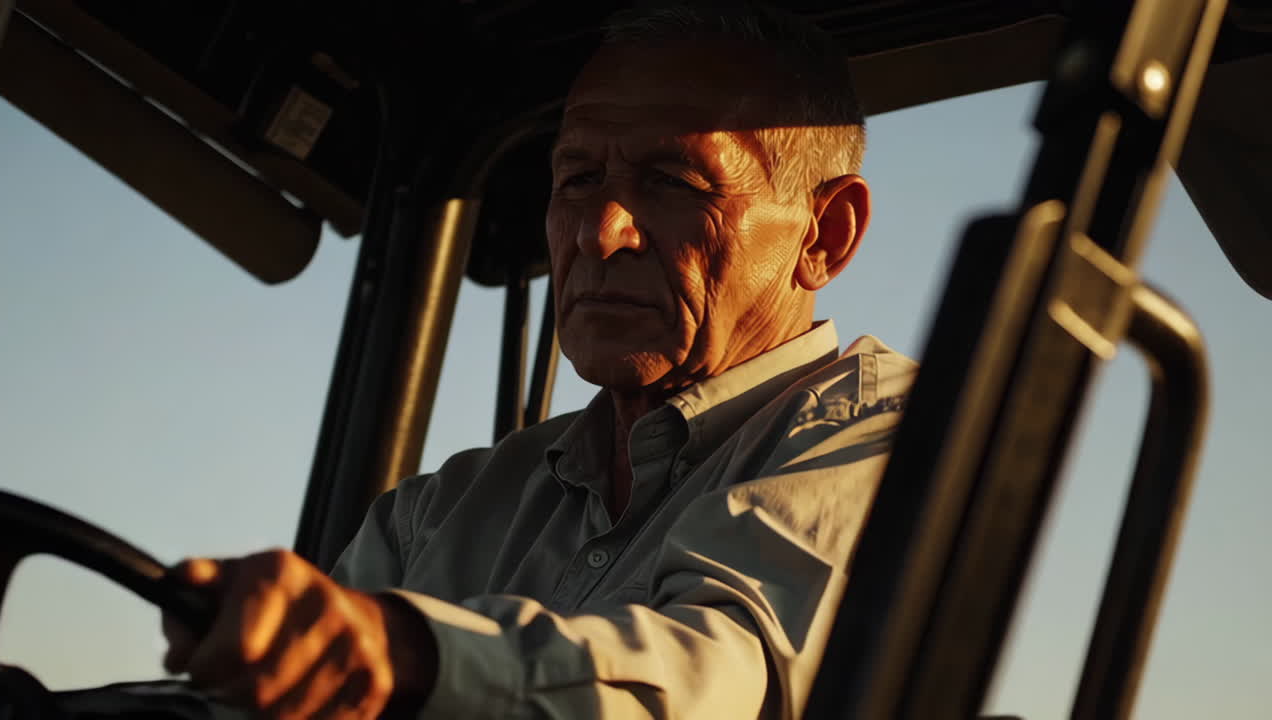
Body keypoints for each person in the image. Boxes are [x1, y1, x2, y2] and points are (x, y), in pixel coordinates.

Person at [162, 3, 917, 718]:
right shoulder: (435, 515)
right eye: (580, 179)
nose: (600, 233)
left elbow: (721, 679)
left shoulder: (892, 437)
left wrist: (409, 656)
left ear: (826, 234)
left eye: (674, 183)